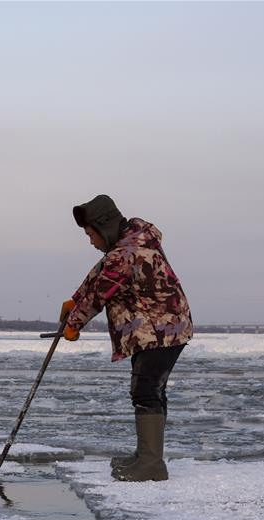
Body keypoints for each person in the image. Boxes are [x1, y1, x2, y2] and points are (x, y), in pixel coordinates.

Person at [60, 194, 192, 482]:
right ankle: (146, 455)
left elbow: (100, 292)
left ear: (103, 228)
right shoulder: (128, 245)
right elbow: (97, 275)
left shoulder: (126, 253)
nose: (89, 240)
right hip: (159, 328)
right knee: (151, 388)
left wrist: (75, 323)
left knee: (145, 390)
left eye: (90, 234)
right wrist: (74, 299)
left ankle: (151, 464)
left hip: (161, 330)